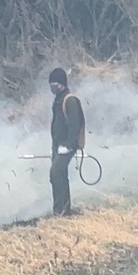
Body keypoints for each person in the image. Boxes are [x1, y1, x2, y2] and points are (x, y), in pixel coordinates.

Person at [48, 68, 86, 216]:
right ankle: (64, 209)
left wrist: (69, 146)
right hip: (58, 145)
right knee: (58, 175)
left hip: (67, 145)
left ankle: (60, 211)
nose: (52, 87)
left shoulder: (69, 100)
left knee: (56, 173)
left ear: (62, 84)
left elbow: (75, 126)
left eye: (55, 84)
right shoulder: (57, 100)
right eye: (51, 84)